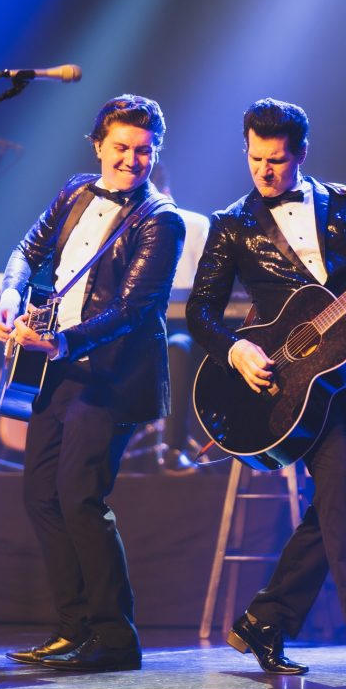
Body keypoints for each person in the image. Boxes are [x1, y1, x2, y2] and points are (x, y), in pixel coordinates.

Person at [186, 98, 346, 675]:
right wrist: (236, 348)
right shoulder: (232, 225)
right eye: (255, 159)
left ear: (301, 152)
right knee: (336, 496)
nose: (264, 172)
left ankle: (264, 620)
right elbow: (200, 313)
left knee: (337, 503)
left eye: (276, 160)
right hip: (293, 385)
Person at [0, 94, 185, 673]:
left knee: (79, 496)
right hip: (57, 367)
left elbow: (133, 310)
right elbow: (26, 252)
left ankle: (115, 639)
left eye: (143, 151)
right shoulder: (75, 190)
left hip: (111, 377)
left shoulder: (162, 218)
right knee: (41, 496)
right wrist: (8, 298)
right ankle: (73, 627)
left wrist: (64, 342)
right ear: (98, 144)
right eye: (121, 148)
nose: (131, 161)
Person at [150, 162, 209, 474]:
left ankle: (174, 447)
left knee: (178, 347)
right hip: (130, 329)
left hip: (179, 327)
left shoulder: (195, 226)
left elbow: (209, 288)